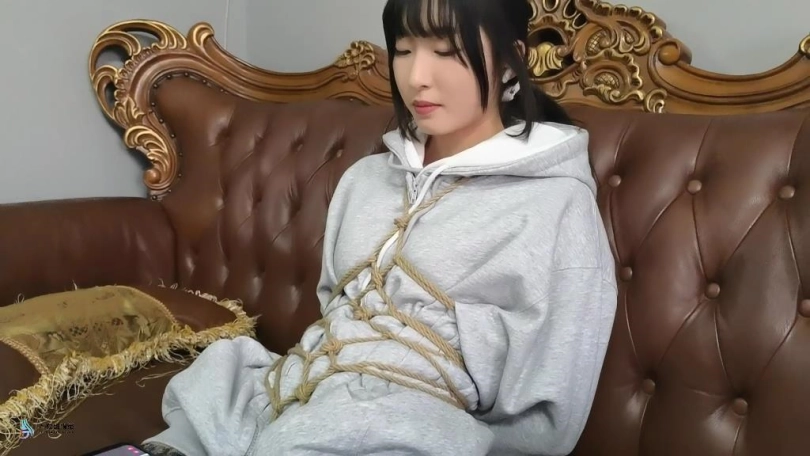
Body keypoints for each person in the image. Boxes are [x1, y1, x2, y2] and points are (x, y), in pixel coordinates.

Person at [142, 0, 617, 454]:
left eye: (446, 51)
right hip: (308, 389)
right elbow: (334, 311)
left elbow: (550, 407)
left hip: (418, 423)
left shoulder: (556, 204)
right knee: (211, 385)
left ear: (512, 61)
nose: (416, 77)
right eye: (404, 50)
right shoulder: (366, 179)